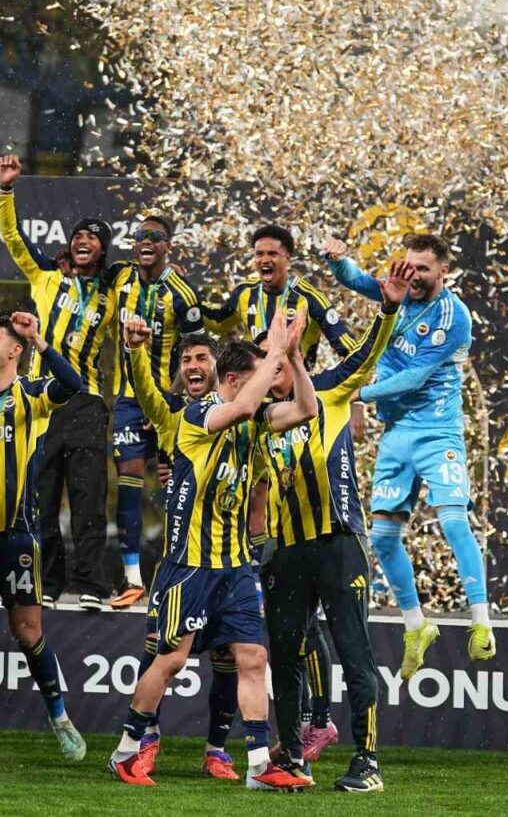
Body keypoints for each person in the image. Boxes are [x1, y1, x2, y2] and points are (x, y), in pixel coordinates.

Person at [109, 307, 317, 791]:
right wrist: (275, 351)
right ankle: (125, 751)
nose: (269, 386)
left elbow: (306, 410)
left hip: (236, 565)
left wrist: (293, 358)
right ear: (234, 380)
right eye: (260, 377)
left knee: (252, 658)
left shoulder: (255, 421)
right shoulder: (198, 415)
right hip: (190, 565)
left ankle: (259, 767)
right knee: (171, 660)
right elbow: (241, 408)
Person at [260, 260, 413, 793]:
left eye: (277, 358)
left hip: (338, 542)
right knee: (285, 655)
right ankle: (293, 758)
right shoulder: (257, 417)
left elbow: (367, 352)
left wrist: (387, 309)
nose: (270, 367)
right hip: (286, 551)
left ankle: (367, 762)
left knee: (354, 653)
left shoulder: (329, 389)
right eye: (266, 359)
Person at [324, 233, 493, 671]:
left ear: (443, 271)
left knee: (453, 522)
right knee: (382, 538)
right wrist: (337, 261)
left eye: (423, 268)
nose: (413, 275)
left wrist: (358, 394)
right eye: (410, 265)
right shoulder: (398, 291)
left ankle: (481, 621)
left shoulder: (454, 316)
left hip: (437, 433)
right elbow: (358, 279)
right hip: (396, 434)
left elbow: (415, 378)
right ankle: (416, 626)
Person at [121, 327, 245, 781]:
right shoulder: (175, 416)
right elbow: (146, 393)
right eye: (186, 359)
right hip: (181, 559)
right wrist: (135, 351)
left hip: (226, 557)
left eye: (201, 358)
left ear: (218, 367)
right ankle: (146, 740)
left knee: (228, 657)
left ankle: (217, 750)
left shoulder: (241, 417)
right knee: (161, 652)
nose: (193, 365)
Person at [0, 312, 89, 766]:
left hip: (18, 533)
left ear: (15, 350)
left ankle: (59, 717)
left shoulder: (32, 393)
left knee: (28, 631)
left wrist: (39, 338)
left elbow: (73, 383)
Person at [0, 154, 116, 610]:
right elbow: (12, 236)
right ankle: (45, 582)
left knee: (88, 497)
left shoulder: (114, 290)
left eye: (93, 237)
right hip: (42, 400)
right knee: (40, 497)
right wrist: (6, 190)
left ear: (103, 251)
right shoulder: (45, 276)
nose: (83, 240)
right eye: (78, 235)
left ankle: (92, 585)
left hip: (87, 401)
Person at [109, 214, 203, 610]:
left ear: (168, 246)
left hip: (168, 402)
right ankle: (132, 579)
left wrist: (167, 402)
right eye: (140, 235)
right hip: (129, 401)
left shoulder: (183, 294)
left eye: (155, 236)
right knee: (128, 479)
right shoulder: (119, 278)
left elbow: (195, 354)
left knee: (176, 486)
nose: (146, 241)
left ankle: (180, 576)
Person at [203, 224, 355, 365]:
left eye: (272, 254)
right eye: (259, 254)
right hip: (255, 381)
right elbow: (218, 324)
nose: (265, 260)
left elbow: (350, 351)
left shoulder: (310, 299)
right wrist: (191, 302)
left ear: (287, 257)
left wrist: (326, 381)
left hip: (295, 382)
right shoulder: (245, 292)